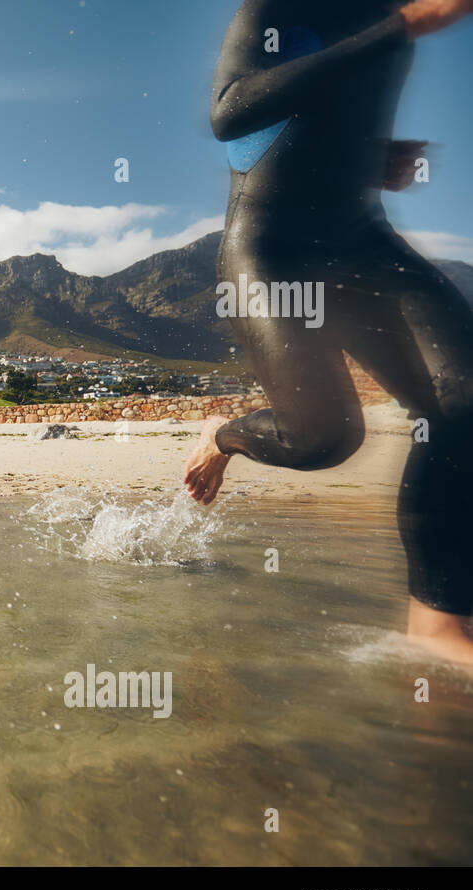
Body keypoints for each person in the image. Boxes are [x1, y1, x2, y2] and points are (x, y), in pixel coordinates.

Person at [183, 0, 473, 663]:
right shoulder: (278, 7)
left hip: (361, 243)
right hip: (271, 247)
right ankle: (223, 435)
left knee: (466, 400)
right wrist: (403, 25)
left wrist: (365, 156)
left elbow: (317, 119)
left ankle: (438, 626)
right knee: (327, 439)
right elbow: (231, 112)